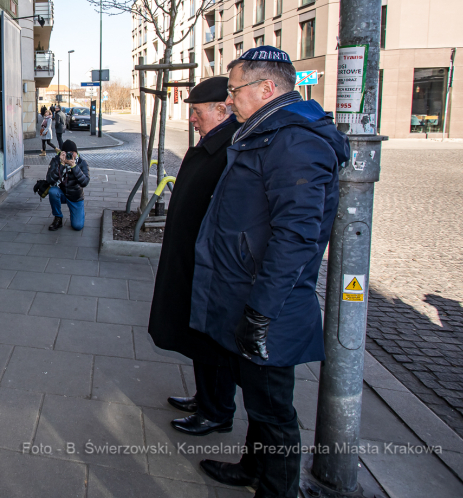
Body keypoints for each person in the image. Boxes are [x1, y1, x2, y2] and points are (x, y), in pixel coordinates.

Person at [190, 46, 349, 497]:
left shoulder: (294, 141)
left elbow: (296, 237)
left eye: (235, 89)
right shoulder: (265, 131)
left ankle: (279, 489)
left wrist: (260, 313)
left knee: (275, 410)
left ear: (266, 88)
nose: (230, 98)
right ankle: (253, 469)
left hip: (268, 302)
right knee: (260, 402)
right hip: (247, 291)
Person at [147, 77, 239, 437]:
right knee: (198, 334)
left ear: (222, 110)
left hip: (211, 266)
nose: (192, 119)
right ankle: (206, 399)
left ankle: (217, 411)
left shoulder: (230, 147)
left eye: (198, 112)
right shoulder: (213, 142)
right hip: (194, 259)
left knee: (211, 339)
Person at [46, 139, 90, 231]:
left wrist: (74, 166)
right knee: (53, 191)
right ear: (63, 153)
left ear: (76, 153)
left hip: (75, 197)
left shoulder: (82, 163)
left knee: (77, 226)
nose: (70, 155)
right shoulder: (56, 160)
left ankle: (75, 212)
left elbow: (85, 182)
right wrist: (61, 165)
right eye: (67, 152)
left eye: (72, 152)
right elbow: (49, 180)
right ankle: (58, 218)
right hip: (61, 193)